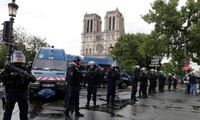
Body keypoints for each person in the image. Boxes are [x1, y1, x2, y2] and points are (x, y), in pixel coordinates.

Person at [0, 51, 36, 120]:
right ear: (13, 58)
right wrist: (10, 74)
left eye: (20, 57)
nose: (18, 59)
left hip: (22, 92)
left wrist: (27, 76)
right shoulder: (9, 68)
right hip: (11, 92)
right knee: (8, 112)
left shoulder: (25, 69)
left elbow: (33, 79)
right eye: (17, 57)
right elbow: (2, 77)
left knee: (24, 112)